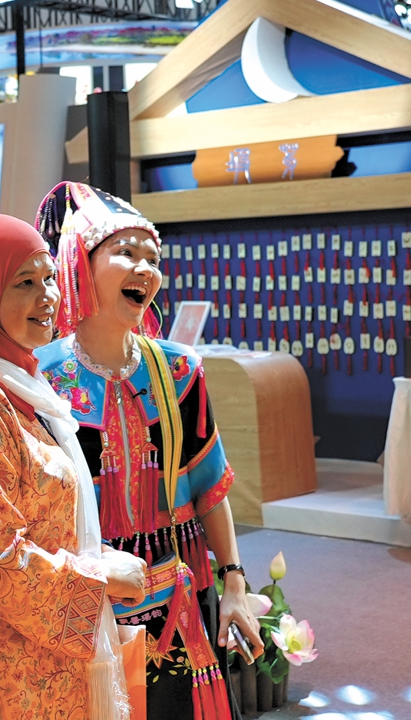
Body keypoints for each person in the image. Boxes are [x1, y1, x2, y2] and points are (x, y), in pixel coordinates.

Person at [0, 214, 148, 720]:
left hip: (42, 664)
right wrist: (98, 578)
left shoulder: (13, 383)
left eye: (50, 279)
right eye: (24, 283)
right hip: (7, 678)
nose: (48, 297)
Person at [34, 182, 263, 720]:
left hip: (177, 586)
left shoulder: (180, 369)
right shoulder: (39, 376)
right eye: (126, 252)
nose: (145, 269)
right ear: (79, 265)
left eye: (153, 258)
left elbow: (209, 486)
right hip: (89, 592)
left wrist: (234, 584)